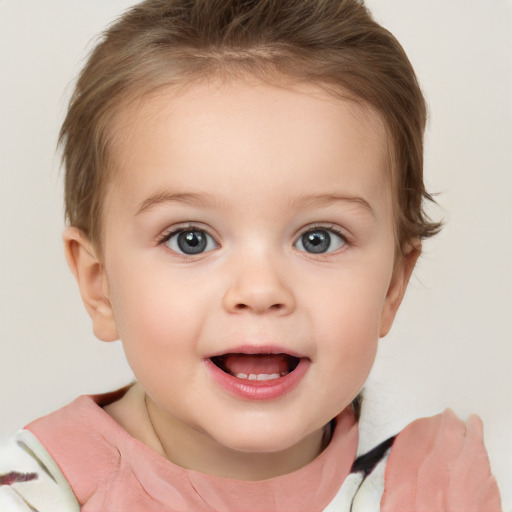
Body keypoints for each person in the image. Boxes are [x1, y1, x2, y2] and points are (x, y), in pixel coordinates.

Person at [0, 0, 502, 510]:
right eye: (190, 238)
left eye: (318, 238)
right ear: (99, 283)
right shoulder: (41, 493)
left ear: (392, 285)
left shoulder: (432, 485)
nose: (260, 290)